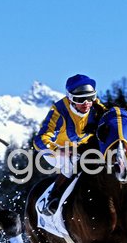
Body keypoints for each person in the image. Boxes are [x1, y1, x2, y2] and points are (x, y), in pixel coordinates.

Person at [33, 74, 107, 216]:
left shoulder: (97, 108)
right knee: (72, 164)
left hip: (83, 149)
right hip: (56, 151)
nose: (86, 103)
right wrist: (58, 149)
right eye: (80, 99)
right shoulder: (59, 112)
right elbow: (39, 141)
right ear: (70, 99)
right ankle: (52, 198)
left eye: (90, 97)